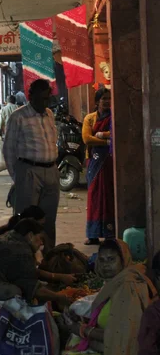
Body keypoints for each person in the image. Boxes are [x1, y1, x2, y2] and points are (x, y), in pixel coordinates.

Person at [60, 240, 157, 355]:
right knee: (74, 341)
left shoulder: (128, 289)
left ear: (123, 259)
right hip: (114, 342)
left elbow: (122, 338)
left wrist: (83, 330)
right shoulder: (116, 283)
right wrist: (80, 323)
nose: (106, 265)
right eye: (102, 260)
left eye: (111, 260)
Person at [3, 79, 59, 251]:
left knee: (49, 220)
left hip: (51, 171)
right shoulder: (18, 116)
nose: (45, 102)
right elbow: (9, 150)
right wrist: (18, 177)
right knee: (26, 221)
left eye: (47, 98)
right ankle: (24, 259)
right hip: (29, 172)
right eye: (41, 99)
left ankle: (49, 258)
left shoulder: (49, 114)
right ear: (30, 97)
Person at [0, 206, 77, 287]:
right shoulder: (20, 248)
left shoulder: (16, 235)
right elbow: (30, 282)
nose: (41, 242)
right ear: (30, 234)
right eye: (41, 224)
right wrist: (59, 296)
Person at [82, 88, 115, 245]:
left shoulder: (114, 117)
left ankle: (109, 233)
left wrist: (103, 135)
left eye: (109, 98)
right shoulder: (90, 119)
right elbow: (87, 139)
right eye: (104, 99)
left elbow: (116, 132)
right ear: (97, 102)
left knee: (108, 195)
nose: (107, 101)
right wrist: (107, 141)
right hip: (95, 162)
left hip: (110, 161)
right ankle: (93, 234)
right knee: (94, 195)